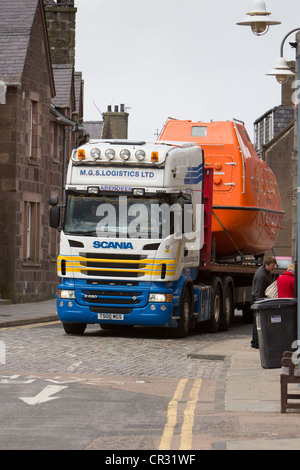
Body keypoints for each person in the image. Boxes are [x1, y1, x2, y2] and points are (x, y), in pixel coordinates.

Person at [250, 255, 276, 349]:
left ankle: (257, 341)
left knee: (259, 322)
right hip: (258, 299)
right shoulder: (262, 275)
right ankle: (256, 342)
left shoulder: (267, 272)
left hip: (260, 298)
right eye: (272, 265)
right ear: (266, 265)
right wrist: (259, 305)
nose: (274, 267)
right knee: (258, 322)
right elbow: (259, 292)